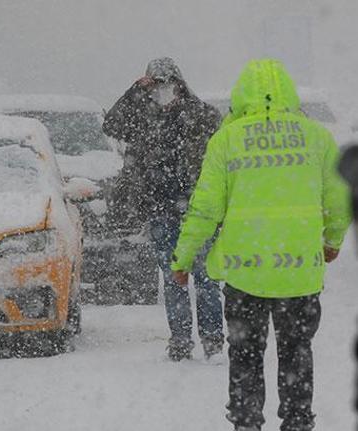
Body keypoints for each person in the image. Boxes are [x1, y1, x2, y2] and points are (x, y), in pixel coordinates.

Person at [171, 59, 351, 431]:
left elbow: (205, 208)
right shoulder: (316, 138)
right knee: (296, 353)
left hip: (244, 273)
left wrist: (183, 257)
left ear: (241, 97)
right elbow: (339, 198)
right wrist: (332, 240)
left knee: (246, 356)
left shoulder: (227, 141)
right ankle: (298, 422)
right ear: (288, 93)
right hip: (299, 272)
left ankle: (247, 422)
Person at [103, 57, 224, 361]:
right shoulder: (142, 116)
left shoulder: (201, 114)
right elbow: (111, 125)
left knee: (206, 276)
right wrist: (135, 91)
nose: (163, 93)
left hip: (199, 209)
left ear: (180, 85)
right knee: (173, 278)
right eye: (156, 87)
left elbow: (220, 151)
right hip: (160, 209)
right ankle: (181, 339)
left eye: (168, 86)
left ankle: (212, 338)